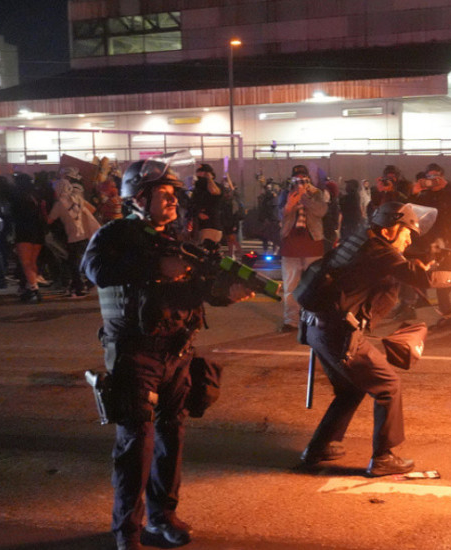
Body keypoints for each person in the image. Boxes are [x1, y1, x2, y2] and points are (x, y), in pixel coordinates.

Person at [82, 156, 252, 550]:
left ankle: (163, 515)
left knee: (171, 435)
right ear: (139, 197)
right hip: (135, 352)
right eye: (164, 193)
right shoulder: (113, 235)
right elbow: (94, 269)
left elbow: (193, 289)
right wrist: (156, 264)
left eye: (175, 193)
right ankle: (128, 529)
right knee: (136, 442)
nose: (174, 199)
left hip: (178, 352)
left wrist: (225, 294)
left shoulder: (175, 239)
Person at [298, 201, 451, 476]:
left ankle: (318, 447)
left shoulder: (362, 241)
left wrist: (422, 261)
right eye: (406, 233)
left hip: (318, 328)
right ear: (388, 231)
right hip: (338, 333)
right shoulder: (377, 251)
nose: (409, 240)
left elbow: (393, 269)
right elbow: (421, 278)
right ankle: (383, 458)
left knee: (350, 389)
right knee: (388, 386)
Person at [408, 162, 451, 333]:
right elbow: (412, 212)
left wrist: (448, 186)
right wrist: (414, 193)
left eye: (436, 177)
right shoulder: (425, 195)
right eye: (429, 177)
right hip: (434, 244)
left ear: (442, 177)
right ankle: (447, 316)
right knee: (438, 280)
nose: (433, 181)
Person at [278, 165, 327, 331]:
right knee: (290, 286)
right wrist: (289, 205)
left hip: (313, 245)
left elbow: (321, 211)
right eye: (296, 179)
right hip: (290, 246)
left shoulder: (316, 193)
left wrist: (305, 197)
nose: (299, 182)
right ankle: (291, 321)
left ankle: (314, 320)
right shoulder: (285, 193)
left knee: (314, 285)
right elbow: (277, 215)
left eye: (303, 179)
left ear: (308, 180)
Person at [48, 167, 100, 298]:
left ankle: (80, 287)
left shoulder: (59, 203)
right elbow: (92, 209)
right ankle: (84, 283)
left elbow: (49, 220)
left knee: (73, 264)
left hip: (73, 237)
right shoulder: (78, 198)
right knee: (79, 261)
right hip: (84, 235)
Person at [12, 173, 49, 303]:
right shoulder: (36, 196)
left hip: (24, 230)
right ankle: (32, 287)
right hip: (38, 230)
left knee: (25, 262)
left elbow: (14, 214)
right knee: (32, 261)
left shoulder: (19, 197)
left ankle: (34, 289)